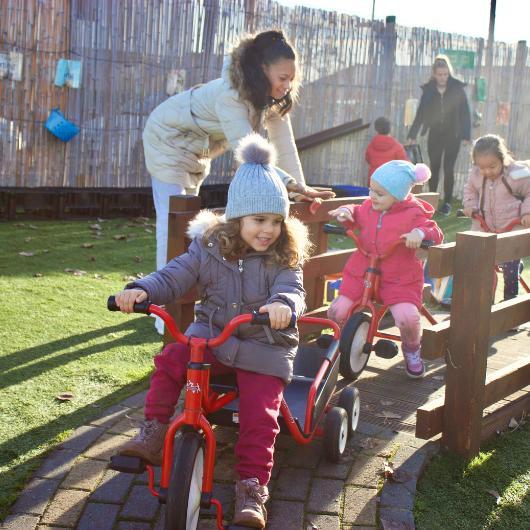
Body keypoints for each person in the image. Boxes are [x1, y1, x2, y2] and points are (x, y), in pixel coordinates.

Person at [112, 134, 310, 528]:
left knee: (260, 414)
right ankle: (153, 433)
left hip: (264, 346)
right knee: (171, 359)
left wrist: (283, 307)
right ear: (237, 219)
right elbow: (176, 275)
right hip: (213, 340)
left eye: (276, 221)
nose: (268, 230)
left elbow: (293, 289)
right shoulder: (207, 248)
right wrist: (142, 289)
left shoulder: (282, 258)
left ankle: (252, 486)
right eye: (259, 220)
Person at [143, 29, 332, 276]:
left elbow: (284, 144)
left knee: (188, 221)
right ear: (262, 69)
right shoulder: (230, 96)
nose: (287, 86)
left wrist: (300, 191)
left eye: (291, 80)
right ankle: (164, 309)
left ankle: (184, 296)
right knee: (172, 225)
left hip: (197, 150)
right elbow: (250, 155)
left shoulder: (268, 97)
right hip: (166, 141)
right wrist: (291, 185)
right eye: (282, 78)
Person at [327, 160, 443, 378]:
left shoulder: (413, 213)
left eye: (379, 193)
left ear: (398, 195)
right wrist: (346, 212)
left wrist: (419, 234)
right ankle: (336, 345)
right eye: (371, 189)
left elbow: (434, 231)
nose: (372, 196)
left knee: (407, 317)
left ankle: (411, 350)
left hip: (399, 278)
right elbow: (356, 212)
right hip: (362, 272)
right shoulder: (369, 207)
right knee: (337, 310)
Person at [462, 134, 530, 300]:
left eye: (492, 166)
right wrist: (470, 205)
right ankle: (484, 302)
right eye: (481, 167)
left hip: (511, 229)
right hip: (486, 228)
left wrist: (527, 213)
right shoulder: (476, 175)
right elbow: (469, 190)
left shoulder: (517, 175)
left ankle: (509, 300)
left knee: (510, 268)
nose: (486, 171)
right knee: (482, 266)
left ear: (503, 159)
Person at [407, 54, 471, 216]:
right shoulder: (428, 90)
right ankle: (432, 200)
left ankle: (447, 203)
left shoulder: (457, 89)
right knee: (434, 167)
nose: (443, 78)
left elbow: (465, 113)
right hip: (435, 133)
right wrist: (413, 133)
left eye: (445, 74)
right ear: (434, 74)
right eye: (439, 74)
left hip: (453, 135)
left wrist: (466, 135)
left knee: (449, 168)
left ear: (449, 73)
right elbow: (421, 112)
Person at [365, 116, 407, 184]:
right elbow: (403, 164)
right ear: (390, 129)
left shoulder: (371, 145)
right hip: (391, 183)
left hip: (374, 181)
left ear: (376, 129)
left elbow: (368, 159)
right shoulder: (398, 147)